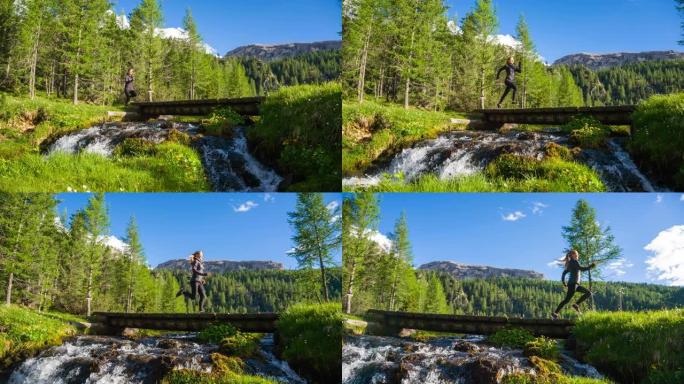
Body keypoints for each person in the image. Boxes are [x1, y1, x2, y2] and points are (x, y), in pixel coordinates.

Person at [552, 250, 596, 320]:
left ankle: (575, 305)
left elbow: (564, 273)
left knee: (588, 293)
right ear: (572, 255)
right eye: (576, 254)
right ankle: (555, 313)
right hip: (573, 284)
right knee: (566, 300)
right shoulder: (574, 262)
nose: (577, 255)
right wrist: (591, 266)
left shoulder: (570, 263)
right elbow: (581, 269)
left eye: (577, 254)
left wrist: (564, 283)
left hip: (575, 285)